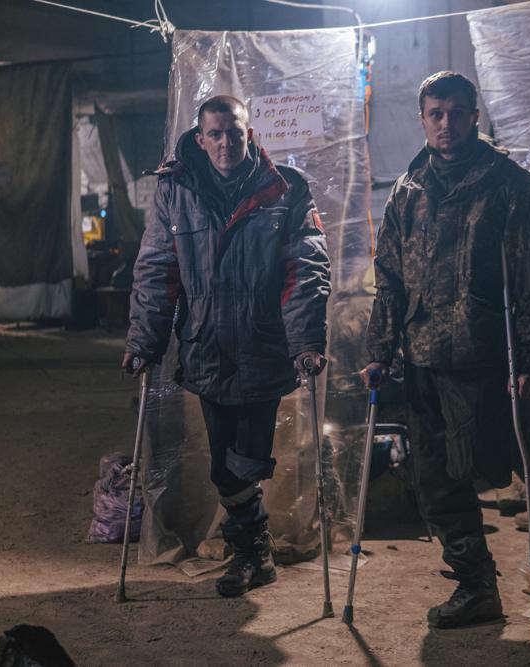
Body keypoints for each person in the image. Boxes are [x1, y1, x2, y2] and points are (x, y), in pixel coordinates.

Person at [361, 72, 530, 629]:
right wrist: (381, 349)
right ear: (422, 118)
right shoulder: (408, 189)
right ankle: (476, 586)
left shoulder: (511, 187)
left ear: (474, 115)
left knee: (485, 465)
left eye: (456, 112)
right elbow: (391, 278)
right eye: (435, 114)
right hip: (421, 355)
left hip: (482, 355)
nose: (446, 124)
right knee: (434, 480)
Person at [122, 95, 331, 597]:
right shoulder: (177, 190)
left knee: (246, 461)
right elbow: (157, 267)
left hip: (261, 345)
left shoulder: (285, 188)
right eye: (214, 134)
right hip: (208, 346)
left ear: (249, 133)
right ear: (200, 138)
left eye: (233, 132)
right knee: (224, 465)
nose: (224, 143)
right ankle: (253, 553)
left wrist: (304, 340)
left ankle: (248, 553)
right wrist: (144, 339)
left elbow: (305, 270)